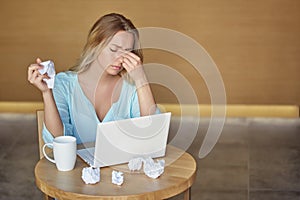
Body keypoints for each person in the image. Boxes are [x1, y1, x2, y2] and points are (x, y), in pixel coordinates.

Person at [27, 13, 159, 144]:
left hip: (122, 165)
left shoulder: (132, 88)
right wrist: (46, 93)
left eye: (127, 52)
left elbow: (153, 135)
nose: (120, 59)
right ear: (95, 46)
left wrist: (141, 80)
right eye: (114, 49)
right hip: (78, 165)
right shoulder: (64, 84)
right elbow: (57, 140)